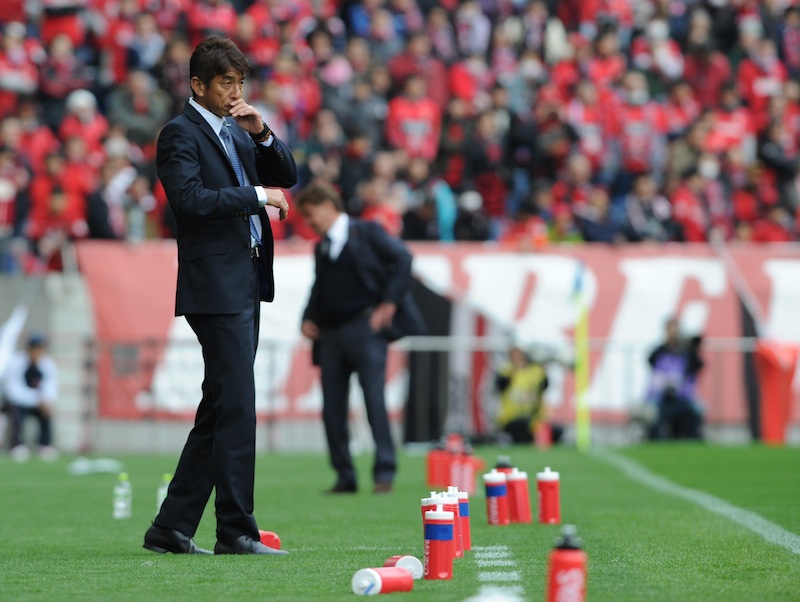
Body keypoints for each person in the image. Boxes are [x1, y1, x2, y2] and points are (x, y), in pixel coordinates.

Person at [142, 36, 296, 557]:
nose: (235, 92)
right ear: (198, 84)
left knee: (221, 405)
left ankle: (170, 527)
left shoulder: (236, 130)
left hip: (245, 280)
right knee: (238, 408)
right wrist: (256, 196)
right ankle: (235, 530)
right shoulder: (179, 134)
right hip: (214, 285)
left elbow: (287, 175)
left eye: (240, 82)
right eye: (226, 82)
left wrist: (263, 133)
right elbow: (189, 200)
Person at [296, 178, 424, 495]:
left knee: (374, 402)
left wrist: (389, 303)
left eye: (310, 214)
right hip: (330, 335)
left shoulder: (368, 231)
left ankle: (384, 472)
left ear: (328, 206)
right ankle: (345, 476)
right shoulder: (322, 246)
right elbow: (319, 287)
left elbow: (403, 258)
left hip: (365, 329)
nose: (309, 223)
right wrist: (307, 318)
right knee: (332, 408)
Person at [645, 316, 704, 440]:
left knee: (695, 412)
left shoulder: (686, 351)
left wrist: (692, 349)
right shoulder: (659, 351)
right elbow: (653, 368)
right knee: (654, 416)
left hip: (683, 397)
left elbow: (698, 365)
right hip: (662, 397)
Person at [2, 334, 59, 462]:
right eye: (35, 348)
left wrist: (45, 400)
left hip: (38, 403)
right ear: (29, 349)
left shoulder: (48, 364)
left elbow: (51, 387)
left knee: (46, 411)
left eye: (40, 348)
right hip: (17, 403)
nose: (37, 352)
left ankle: (44, 444)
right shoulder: (17, 362)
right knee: (16, 412)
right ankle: (17, 445)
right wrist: (37, 400)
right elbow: (14, 391)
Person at [494, 344, 562, 445]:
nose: (519, 357)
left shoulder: (536, 371)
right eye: (516, 354)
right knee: (523, 427)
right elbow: (500, 386)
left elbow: (545, 386)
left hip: (533, 418)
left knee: (557, 431)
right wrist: (514, 370)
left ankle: (539, 437)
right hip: (511, 419)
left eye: (521, 354)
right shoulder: (506, 370)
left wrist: (543, 367)